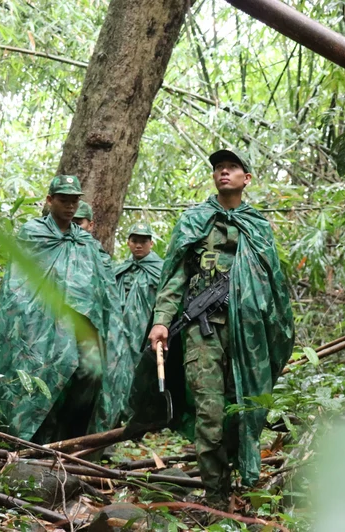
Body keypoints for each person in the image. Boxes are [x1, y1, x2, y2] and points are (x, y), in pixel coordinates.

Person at [144, 149, 295, 507]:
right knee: (209, 412)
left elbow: (273, 285)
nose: (224, 172)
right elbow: (175, 276)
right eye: (218, 168)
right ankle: (215, 498)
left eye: (232, 167)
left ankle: (240, 482)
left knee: (242, 408)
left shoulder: (257, 226)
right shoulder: (194, 221)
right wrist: (161, 320)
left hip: (248, 334)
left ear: (246, 178)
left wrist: (275, 333)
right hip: (202, 329)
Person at [0, 175, 128, 443]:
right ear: (50, 200)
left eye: (74, 201)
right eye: (64, 200)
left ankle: (70, 439)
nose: (70, 206)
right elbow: (17, 284)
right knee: (42, 374)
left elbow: (103, 287)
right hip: (38, 323)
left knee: (90, 373)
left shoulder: (85, 242)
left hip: (81, 324)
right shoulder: (33, 233)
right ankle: (33, 440)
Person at [114, 223, 164, 417]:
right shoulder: (121, 269)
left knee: (143, 372)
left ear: (151, 243)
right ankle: (117, 414)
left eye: (143, 241)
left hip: (146, 332)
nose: (138, 245)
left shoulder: (160, 269)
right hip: (119, 331)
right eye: (134, 241)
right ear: (128, 243)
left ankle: (141, 416)